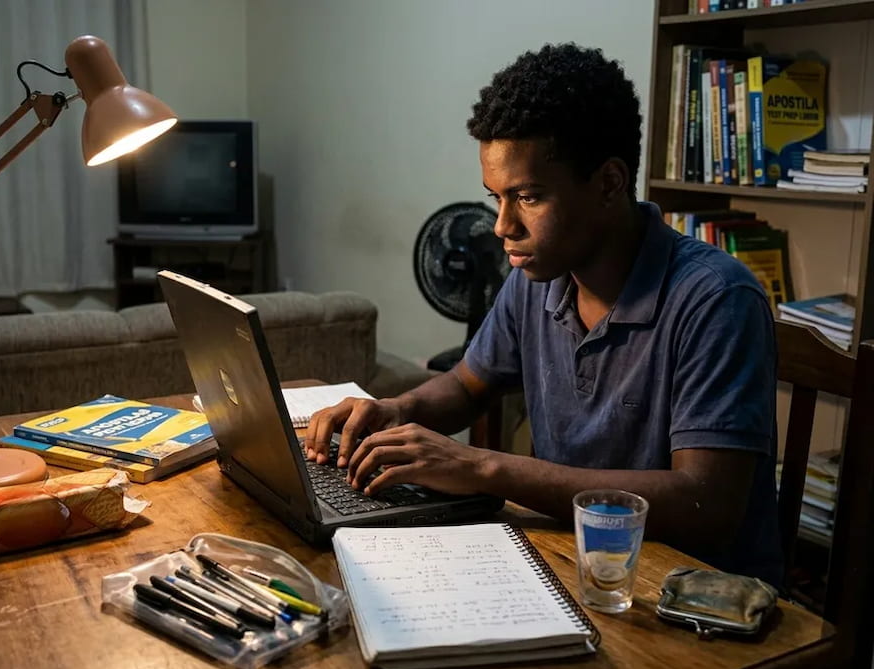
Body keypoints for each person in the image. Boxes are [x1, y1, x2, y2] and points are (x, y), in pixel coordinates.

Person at [304, 43, 781, 586]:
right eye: (496, 197)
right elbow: (465, 386)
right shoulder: (539, 277)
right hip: (572, 559)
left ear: (609, 183)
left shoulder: (716, 299)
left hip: (688, 591)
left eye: (528, 197)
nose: (502, 226)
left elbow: (706, 507)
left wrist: (483, 467)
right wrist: (394, 410)